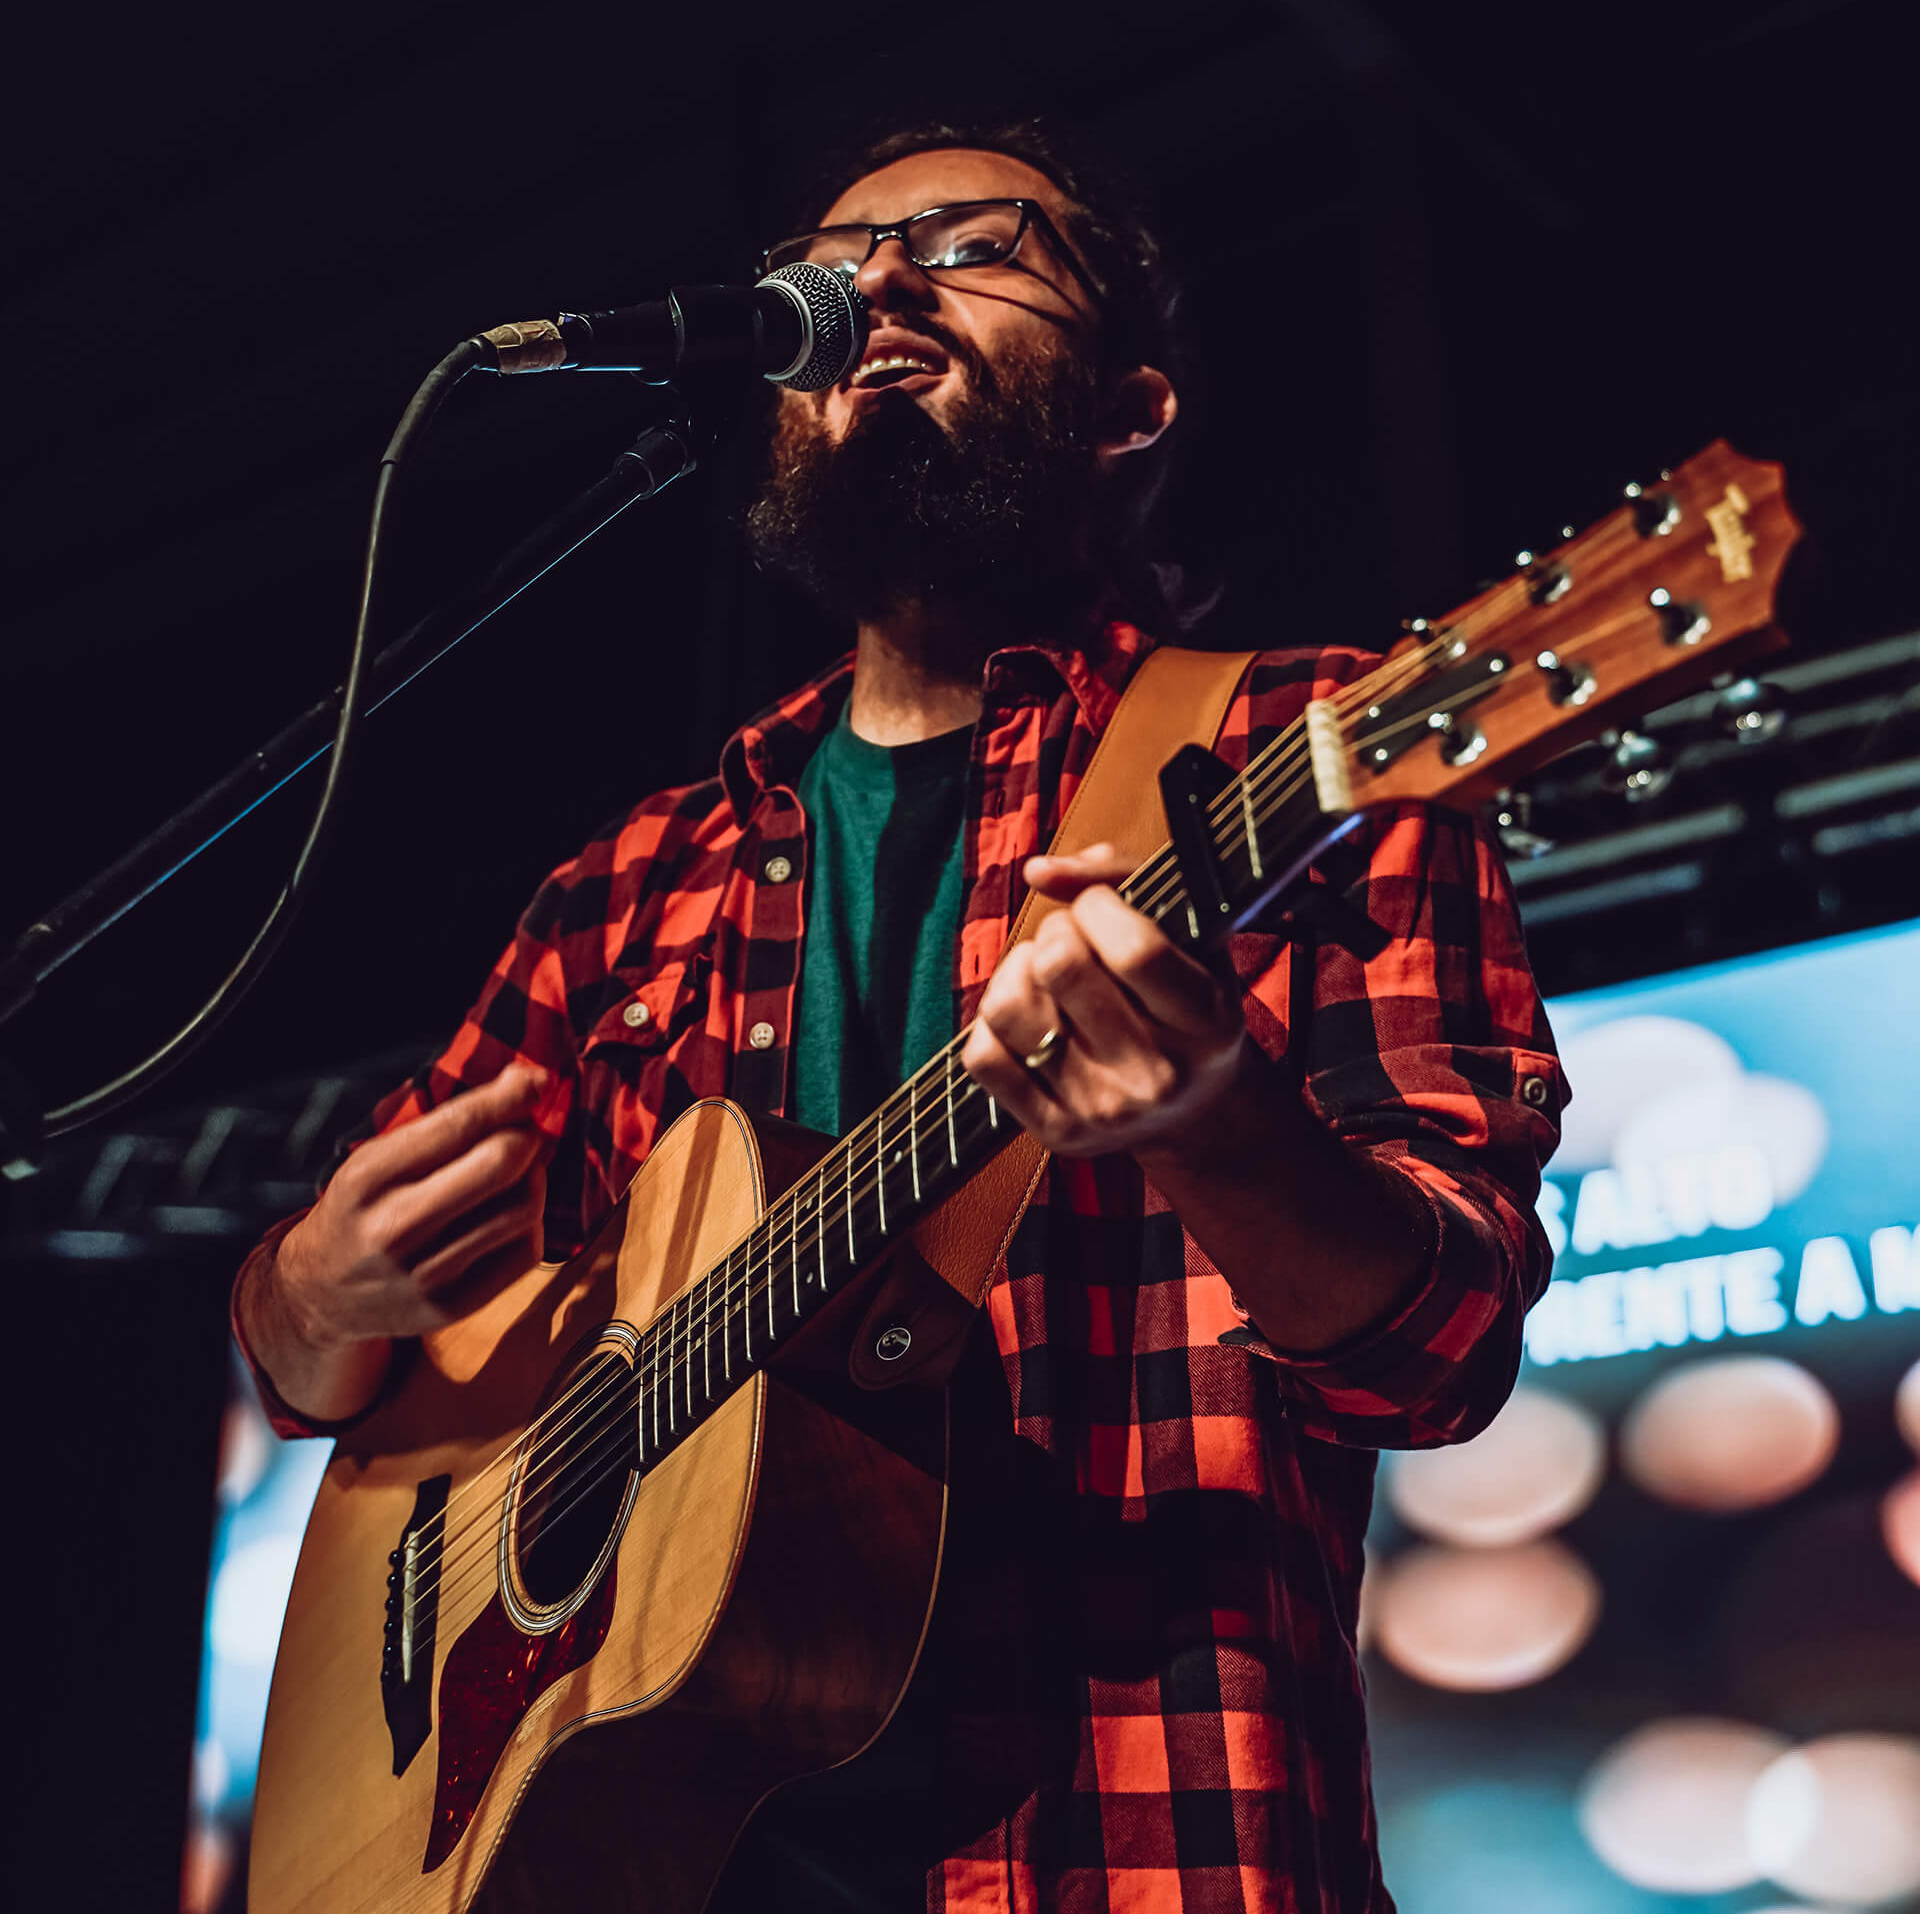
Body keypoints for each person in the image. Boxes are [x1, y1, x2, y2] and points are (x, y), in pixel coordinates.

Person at [233, 121, 1565, 1912]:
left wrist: (1213, 1126)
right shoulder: (623, 886)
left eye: (972, 244)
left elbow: (1444, 1351)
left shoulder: (1308, 750)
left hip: (1130, 1842)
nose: (878, 283)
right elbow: (331, 1368)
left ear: (1129, 410)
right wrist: (307, 1302)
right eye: (838, 258)